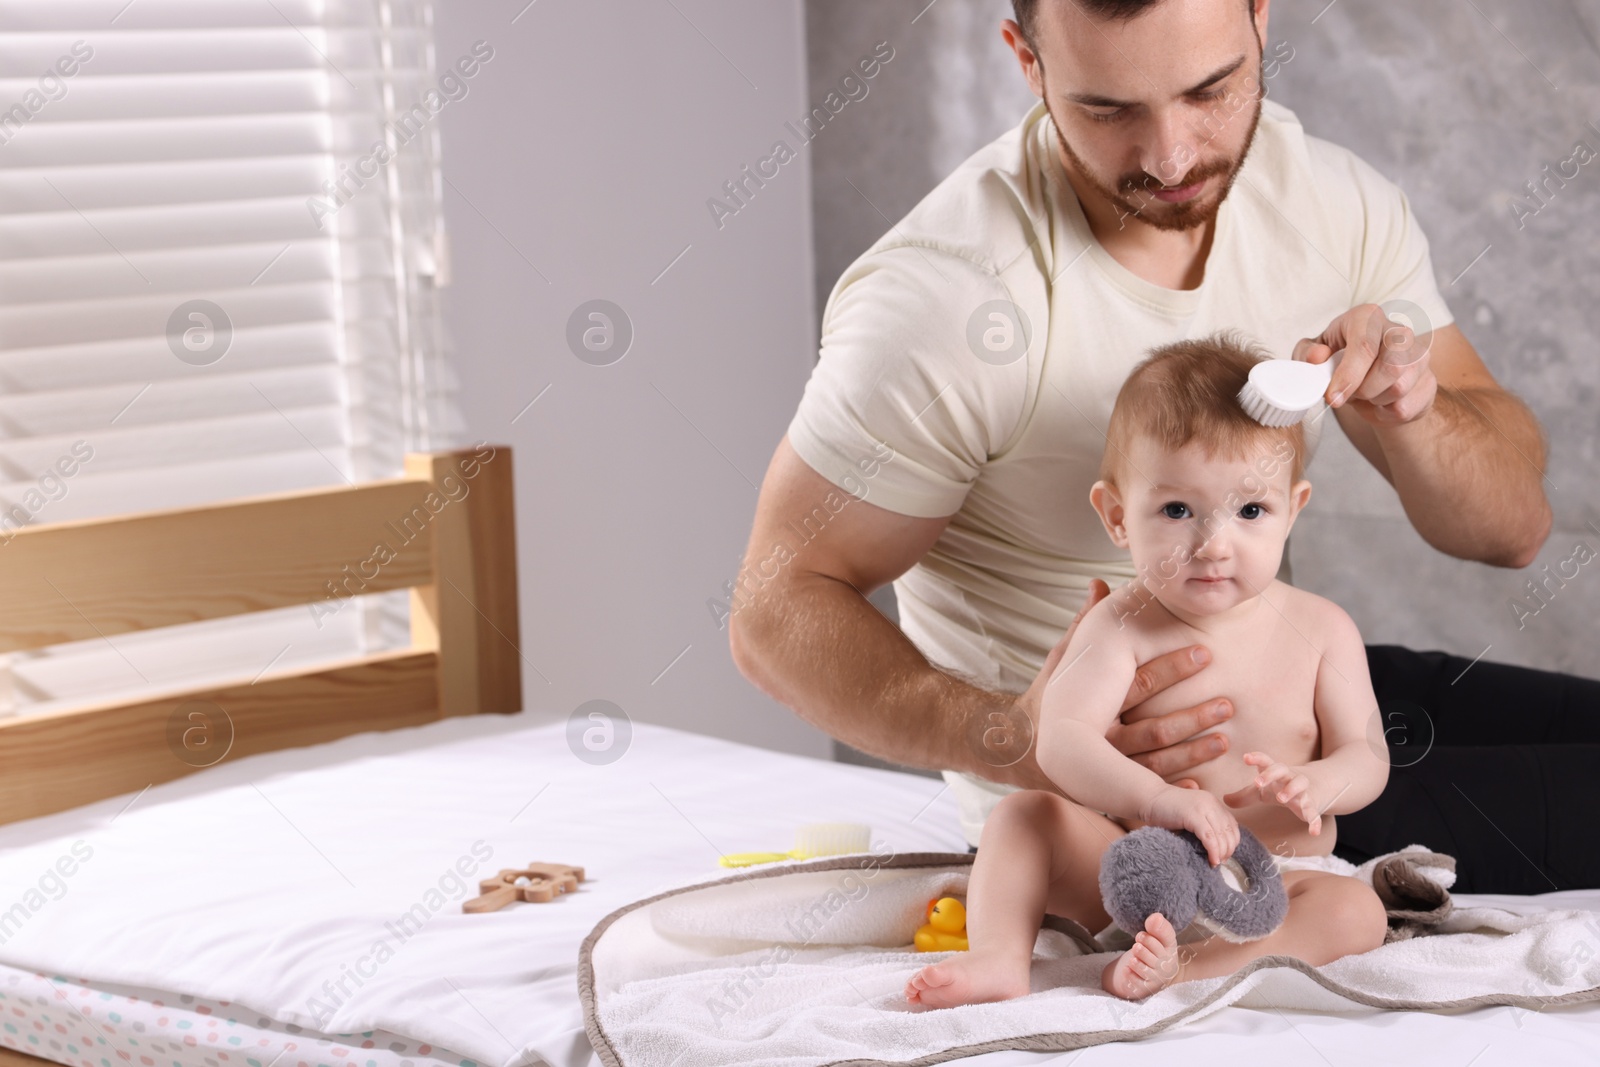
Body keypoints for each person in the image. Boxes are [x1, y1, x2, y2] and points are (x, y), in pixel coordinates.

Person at [729, 0, 1600, 894]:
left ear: (1261, 18)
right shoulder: (947, 302)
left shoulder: (1326, 203)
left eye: (1211, 89)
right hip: (1165, 819)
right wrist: (1018, 736)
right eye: (1109, 110)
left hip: (1300, 703)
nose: (1173, 156)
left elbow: (1513, 529)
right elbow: (771, 610)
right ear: (1026, 62)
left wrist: (1414, 412)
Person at [905, 335, 1390, 1007]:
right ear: (1116, 516)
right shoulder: (1120, 627)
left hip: (1277, 878)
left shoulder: (1323, 628)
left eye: (1251, 510)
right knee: (1022, 816)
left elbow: (1366, 754)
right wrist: (1157, 800)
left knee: (1359, 912)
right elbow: (1062, 738)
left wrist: (1319, 780)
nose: (1213, 544)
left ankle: (1190, 971)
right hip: (1139, 869)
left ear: (1293, 507)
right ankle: (998, 959)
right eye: (1176, 510)